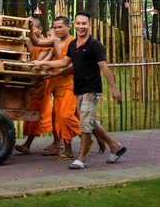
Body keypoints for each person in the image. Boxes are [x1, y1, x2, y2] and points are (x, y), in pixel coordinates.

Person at [32, 11, 126, 169]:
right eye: (78, 23)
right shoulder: (73, 45)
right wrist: (42, 64)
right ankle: (115, 146)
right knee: (90, 121)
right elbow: (64, 63)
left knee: (85, 123)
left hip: (92, 89)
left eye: (84, 23)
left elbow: (103, 66)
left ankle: (81, 158)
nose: (81, 26)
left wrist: (115, 89)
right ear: (74, 25)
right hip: (79, 89)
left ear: (90, 25)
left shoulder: (94, 44)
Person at [28, 16, 80, 160]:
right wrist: (30, 28)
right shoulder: (55, 41)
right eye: (55, 27)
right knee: (57, 119)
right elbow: (37, 41)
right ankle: (68, 151)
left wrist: (44, 65)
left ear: (69, 27)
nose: (57, 30)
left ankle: (86, 135)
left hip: (69, 84)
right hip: (56, 83)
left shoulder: (74, 43)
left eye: (60, 27)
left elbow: (70, 66)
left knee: (67, 116)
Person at [15, 18, 53, 154]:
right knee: (43, 114)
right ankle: (58, 142)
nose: (32, 31)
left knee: (38, 113)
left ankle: (28, 144)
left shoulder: (47, 44)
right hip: (35, 82)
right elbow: (33, 54)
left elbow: (38, 60)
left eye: (34, 29)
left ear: (40, 30)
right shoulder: (34, 42)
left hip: (42, 82)